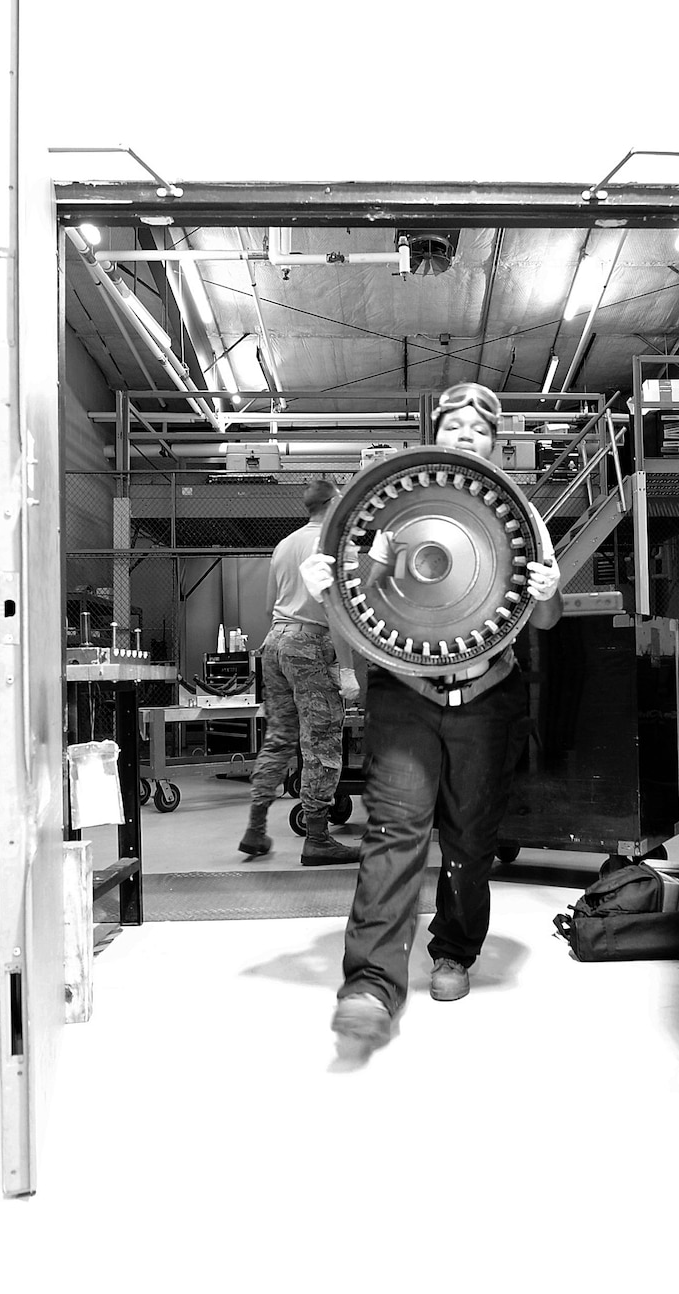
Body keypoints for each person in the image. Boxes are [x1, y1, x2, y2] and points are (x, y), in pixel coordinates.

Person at [300, 381, 563, 1055]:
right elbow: (366, 598)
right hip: (406, 692)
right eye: (454, 425)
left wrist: (550, 592)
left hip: (485, 696)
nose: (466, 434)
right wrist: (327, 586)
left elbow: (546, 620)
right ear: (437, 435)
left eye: (479, 427)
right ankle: (370, 983)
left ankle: (453, 951)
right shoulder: (396, 516)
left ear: (496, 444)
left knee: (470, 839)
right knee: (395, 831)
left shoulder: (521, 518)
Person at [239, 477, 363, 865]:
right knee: (321, 741)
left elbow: (268, 606)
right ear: (335, 501)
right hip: (311, 644)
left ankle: (256, 828)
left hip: (276, 642)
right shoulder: (335, 545)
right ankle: (318, 839)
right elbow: (337, 612)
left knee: (279, 737)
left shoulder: (285, 544)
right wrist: (346, 671)